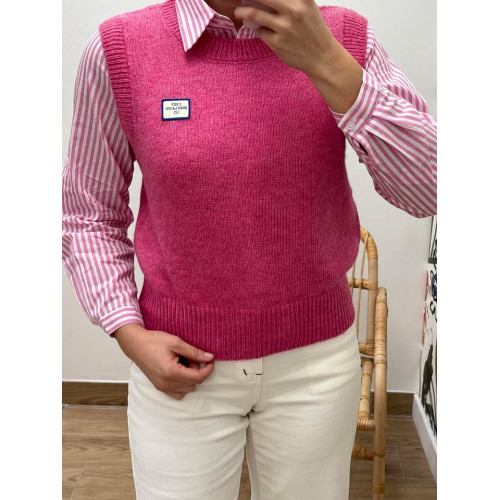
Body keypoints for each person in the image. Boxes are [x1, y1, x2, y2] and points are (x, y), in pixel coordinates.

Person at [62, 0, 437, 498]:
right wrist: (126, 330)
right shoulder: (120, 49)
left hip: (317, 365)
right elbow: (87, 212)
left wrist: (327, 60)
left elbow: (429, 189)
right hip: (177, 362)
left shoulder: (346, 38)